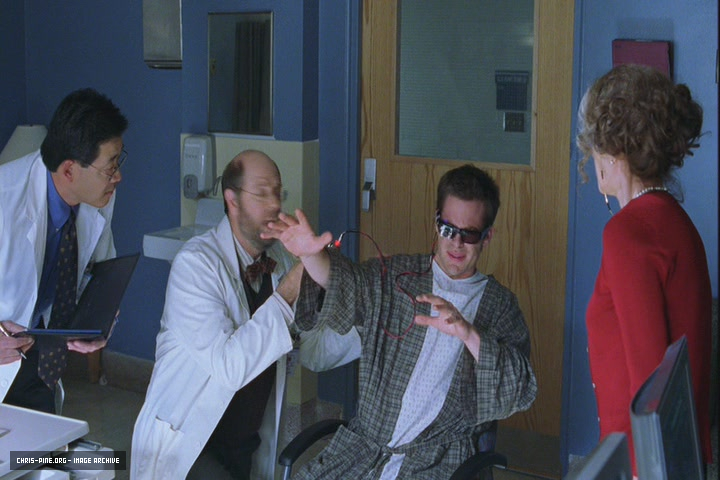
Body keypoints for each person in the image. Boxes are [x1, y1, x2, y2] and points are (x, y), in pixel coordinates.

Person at [263, 164, 537, 479]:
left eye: (470, 234)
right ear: (436, 222)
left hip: (437, 462)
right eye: (448, 229)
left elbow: (518, 389)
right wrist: (311, 256)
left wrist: (468, 334)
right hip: (363, 450)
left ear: (487, 237)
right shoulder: (397, 277)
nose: (457, 243)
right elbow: (348, 284)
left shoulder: (500, 307)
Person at [131, 150, 360, 480]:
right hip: (190, 445)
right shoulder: (195, 264)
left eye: (278, 192)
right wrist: (291, 288)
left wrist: (373, 324)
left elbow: (314, 349)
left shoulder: (279, 262)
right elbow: (230, 367)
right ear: (232, 199)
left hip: (245, 445)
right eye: (262, 193)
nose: (274, 204)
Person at [576, 63, 712, 474]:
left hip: (645, 462)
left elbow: (650, 392)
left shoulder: (629, 233)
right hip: (680, 455)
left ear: (611, 152)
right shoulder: (673, 219)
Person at [0, 88, 128, 413]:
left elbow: (98, 274)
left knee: (47, 442)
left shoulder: (98, 199)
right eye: (109, 167)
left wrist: (97, 321)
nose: (118, 177)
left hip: (37, 354)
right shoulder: (5, 199)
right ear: (69, 170)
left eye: (118, 162)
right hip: (4, 349)